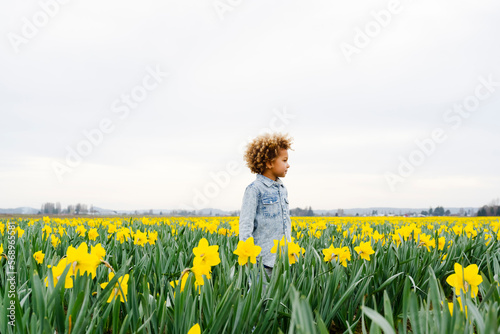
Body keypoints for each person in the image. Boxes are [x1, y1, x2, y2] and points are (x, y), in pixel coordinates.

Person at [239, 132, 293, 288]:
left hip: (283, 259)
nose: (288, 165)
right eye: (284, 161)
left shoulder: (282, 189)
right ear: (269, 163)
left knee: (277, 302)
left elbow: (285, 223)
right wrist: (249, 257)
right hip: (262, 261)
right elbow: (245, 225)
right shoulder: (254, 190)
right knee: (258, 301)